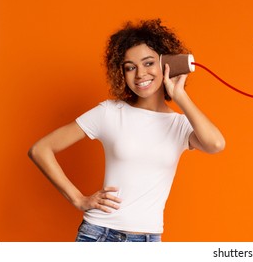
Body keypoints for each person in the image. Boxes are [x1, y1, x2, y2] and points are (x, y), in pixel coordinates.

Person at [28, 19, 225, 242]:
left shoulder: (179, 125)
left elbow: (215, 144)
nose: (140, 73)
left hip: (149, 240)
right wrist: (78, 199)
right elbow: (40, 149)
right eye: (130, 67)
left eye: (149, 63)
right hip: (100, 235)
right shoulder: (109, 113)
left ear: (165, 64)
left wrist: (180, 95)